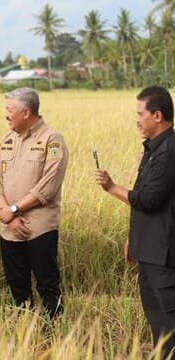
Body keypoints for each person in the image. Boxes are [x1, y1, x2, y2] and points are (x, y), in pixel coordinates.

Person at [95, 86, 175, 358]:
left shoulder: (169, 151)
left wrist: (111, 187)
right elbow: (144, 205)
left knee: (168, 322)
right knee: (158, 324)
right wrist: (134, 239)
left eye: (140, 114)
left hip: (164, 255)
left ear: (158, 115)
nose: (136, 120)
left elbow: (149, 199)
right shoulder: (154, 149)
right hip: (148, 250)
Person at [0, 87, 68, 319]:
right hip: (9, 228)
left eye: (10, 110)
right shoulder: (7, 140)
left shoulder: (52, 140)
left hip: (39, 228)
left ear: (26, 112)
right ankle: (23, 331)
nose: (6, 115)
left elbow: (49, 184)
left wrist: (14, 210)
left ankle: (53, 332)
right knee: (17, 287)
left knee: (47, 285)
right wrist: (8, 214)